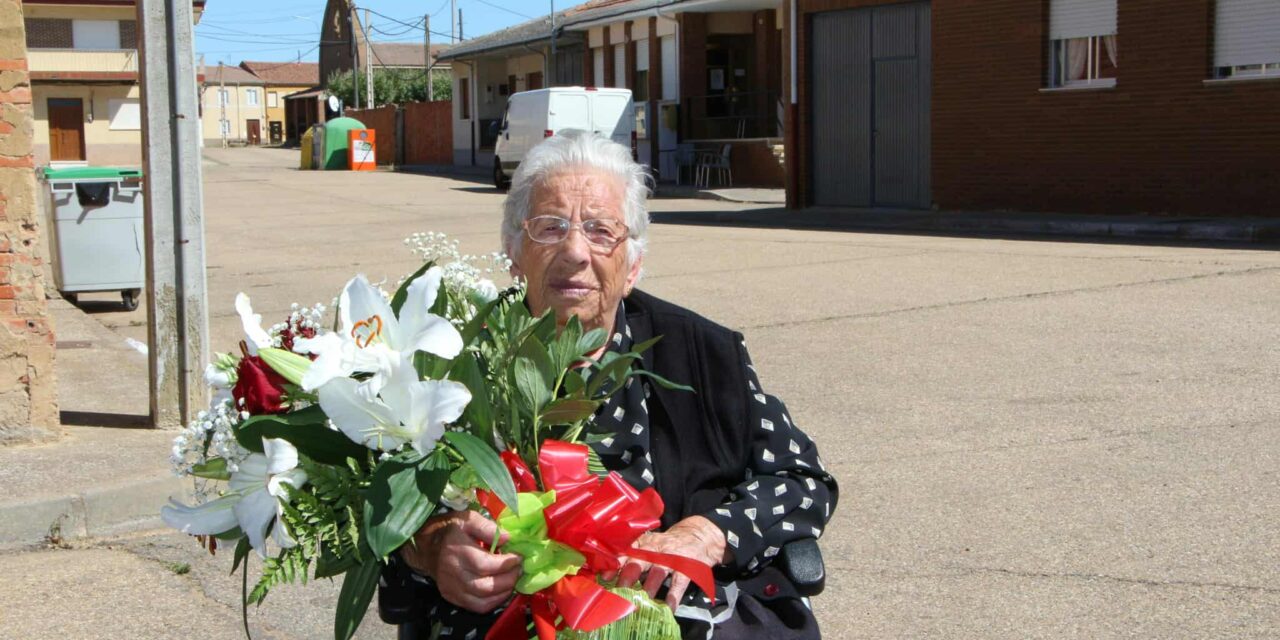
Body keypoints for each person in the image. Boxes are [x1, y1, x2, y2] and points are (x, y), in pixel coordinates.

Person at [380, 130, 838, 639]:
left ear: (633, 265)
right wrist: (429, 544)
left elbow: (801, 481)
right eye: (550, 227)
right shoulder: (453, 361)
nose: (575, 251)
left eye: (600, 231)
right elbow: (377, 501)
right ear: (513, 253)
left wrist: (707, 534)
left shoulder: (704, 354)